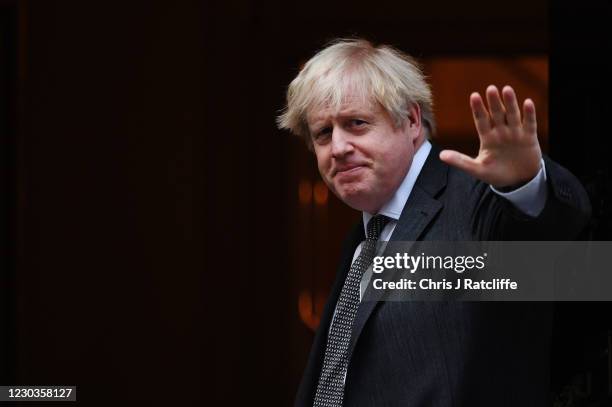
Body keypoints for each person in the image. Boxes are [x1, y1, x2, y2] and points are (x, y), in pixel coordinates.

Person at [277, 38, 591, 406]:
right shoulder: (365, 236)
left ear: (411, 121)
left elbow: (562, 243)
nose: (339, 147)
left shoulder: (477, 198)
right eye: (323, 134)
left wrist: (524, 184)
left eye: (356, 123)